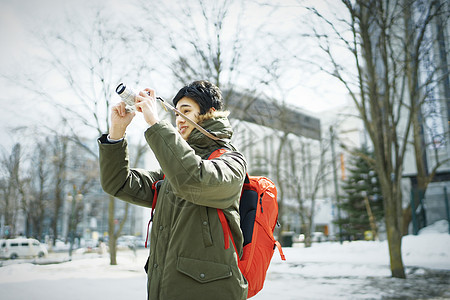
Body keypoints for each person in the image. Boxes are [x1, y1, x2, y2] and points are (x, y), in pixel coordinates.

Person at [98, 80, 248, 299]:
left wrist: (155, 123)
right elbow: (118, 183)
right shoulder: (173, 170)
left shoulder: (231, 161)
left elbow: (194, 181)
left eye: (185, 111)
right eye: (176, 114)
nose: (179, 120)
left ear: (210, 113)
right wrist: (116, 133)